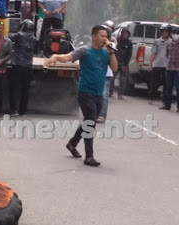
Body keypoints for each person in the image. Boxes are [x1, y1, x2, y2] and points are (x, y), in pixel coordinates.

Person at [45, 25, 118, 167]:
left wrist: (111, 52)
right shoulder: (85, 50)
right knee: (90, 121)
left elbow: (114, 68)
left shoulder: (106, 53)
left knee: (89, 121)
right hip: (85, 91)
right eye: (102, 36)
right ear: (94, 36)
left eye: (106, 37)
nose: (105, 39)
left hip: (98, 93)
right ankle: (89, 156)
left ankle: (72, 143)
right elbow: (68, 57)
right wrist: (55, 56)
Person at [8, 19, 36, 116]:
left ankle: (13, 110)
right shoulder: (34, 38)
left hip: (17, 65)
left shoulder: (19, 35)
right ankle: (23, 111)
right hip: (28, 66)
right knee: (25, 90)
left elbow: (7, 38)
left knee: (14, 88)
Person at [97, 23, 117, 123]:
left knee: (104, 95)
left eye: (105, 36)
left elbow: (110, 54)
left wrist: (106, 43)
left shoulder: (111, 45)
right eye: (101, 36)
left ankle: (102, 115)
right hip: (95, 73)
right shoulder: (95, 45)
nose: (103, 38)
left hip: (106, 74)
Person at [148, 24, 172, 104]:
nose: (164, 33)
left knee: (167, 83)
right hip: (157, 64)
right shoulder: (157, 41)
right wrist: (150, 64)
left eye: (166, 31)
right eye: (163, 31)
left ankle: (165, 99)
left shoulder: (171, 42)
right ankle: (151, 97)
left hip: (167, 65)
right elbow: (153, 53)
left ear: (169, 32)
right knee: (154, 82)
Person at [159, 26, 179, 112]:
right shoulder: (169, 44)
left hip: (178, 69)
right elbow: (167, 55)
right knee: (168, 87)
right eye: (174, 33)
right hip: (170, 68)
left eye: (177, 34)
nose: (175, 35)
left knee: (178, 87)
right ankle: (167, 104)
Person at [113, 28, 132, 99]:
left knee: (123, 80)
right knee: (112, 77)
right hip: (116, 62)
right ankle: (110, 92)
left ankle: (120, 93)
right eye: (124, 33)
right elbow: (114, 52)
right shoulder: (117, 41)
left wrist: (124, 64)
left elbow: (129, 54)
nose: (125, 35)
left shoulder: (129, 43)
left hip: (124, 63)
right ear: (122, 33)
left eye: (127, 34)